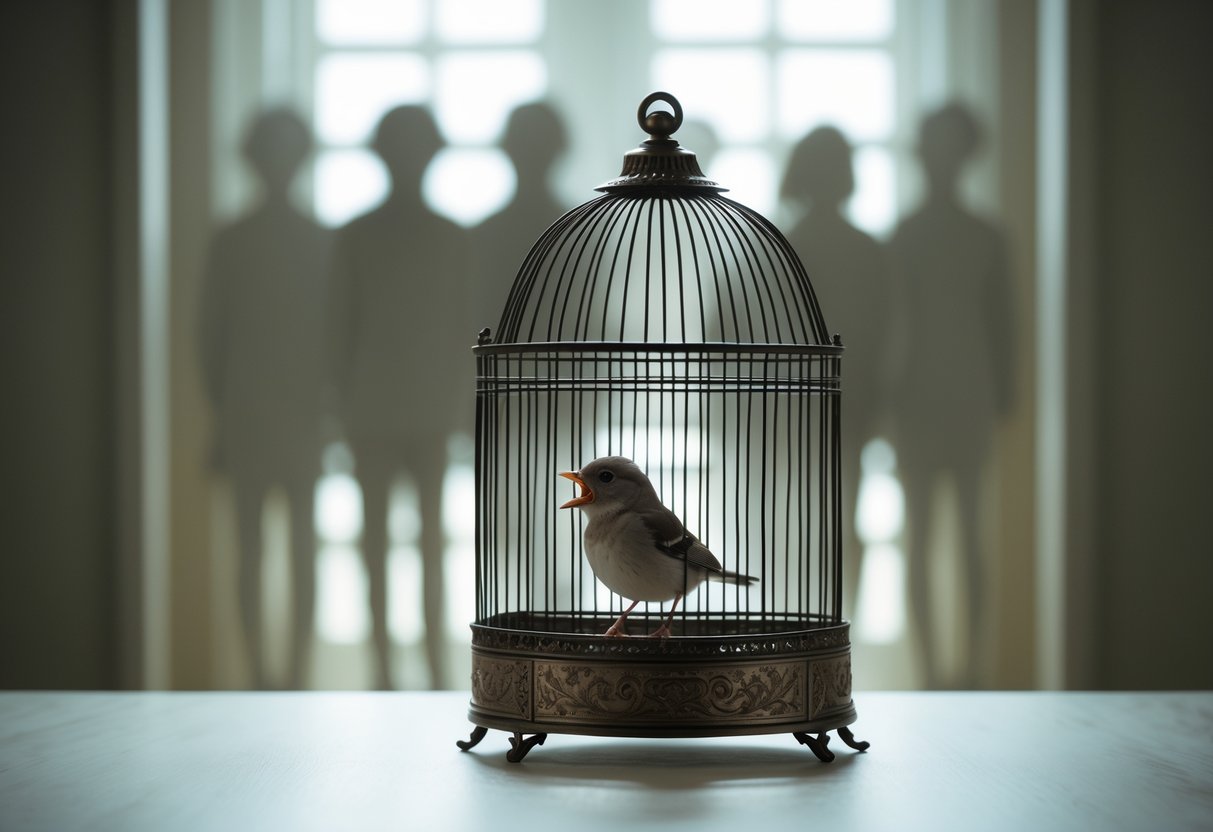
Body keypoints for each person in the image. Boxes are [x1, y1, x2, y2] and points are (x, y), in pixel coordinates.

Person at [328, 106, 471, 689]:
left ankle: (403, 667)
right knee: (406, 544)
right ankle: (402, 666)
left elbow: (339, 330)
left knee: (404, 544)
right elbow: (339, 328)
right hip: (399, 407)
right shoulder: (445, 236)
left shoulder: (362, 234)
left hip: (391, 406)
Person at [198, 108, 331, 689]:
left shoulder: (239, 239)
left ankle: (281, 671)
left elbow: (211, 339)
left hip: (270, 411)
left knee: (275, 549)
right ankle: (272, 670)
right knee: (271, 549)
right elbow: (212, 337)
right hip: (271, 412)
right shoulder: (307, 239)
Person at [888, 103, 1016, 688]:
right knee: (927, 535)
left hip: (960, 394)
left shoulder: (974, 235)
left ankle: (966, 667)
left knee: (963, 533)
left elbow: (1003, 322)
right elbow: (893, 324)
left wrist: (1004, 392)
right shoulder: (915, 235)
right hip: (926, 395)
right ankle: (935, 669)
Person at [781, 125, 891, 620]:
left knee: (791, 518)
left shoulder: (783, 246)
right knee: (844, 518)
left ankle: (797, 621)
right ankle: (841, 626)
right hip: (850, 401)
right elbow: (881, 335)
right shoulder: (866, 249)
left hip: (790, 409)